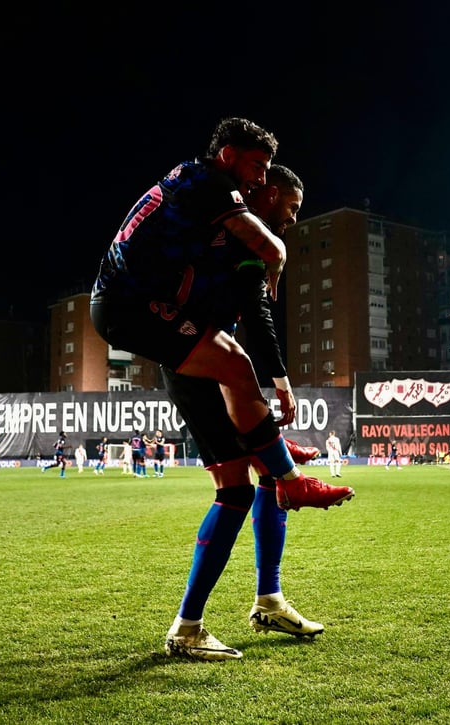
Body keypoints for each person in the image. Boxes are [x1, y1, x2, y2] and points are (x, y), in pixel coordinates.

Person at [90, 117, 336, 501]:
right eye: (257, 167)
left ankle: (278, 460)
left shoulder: (197, 185)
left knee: (240, 485)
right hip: (128, 305)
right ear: (227, 156)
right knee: (237, 369)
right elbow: (270, 252)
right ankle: (291, 479)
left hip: (138, 304)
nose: (260, 179)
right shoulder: (211, 185)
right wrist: (278, 260)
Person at [160, 165, 350, 662]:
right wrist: (281, 383)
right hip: (196, 363)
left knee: (262, 478)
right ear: (264, 195)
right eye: (289, 208)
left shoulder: (238, 236)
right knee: (238, 489)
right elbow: (258, 318)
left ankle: (269, 600)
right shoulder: (246, 241)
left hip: (202, 360)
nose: (290, 220)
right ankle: (187, 627)